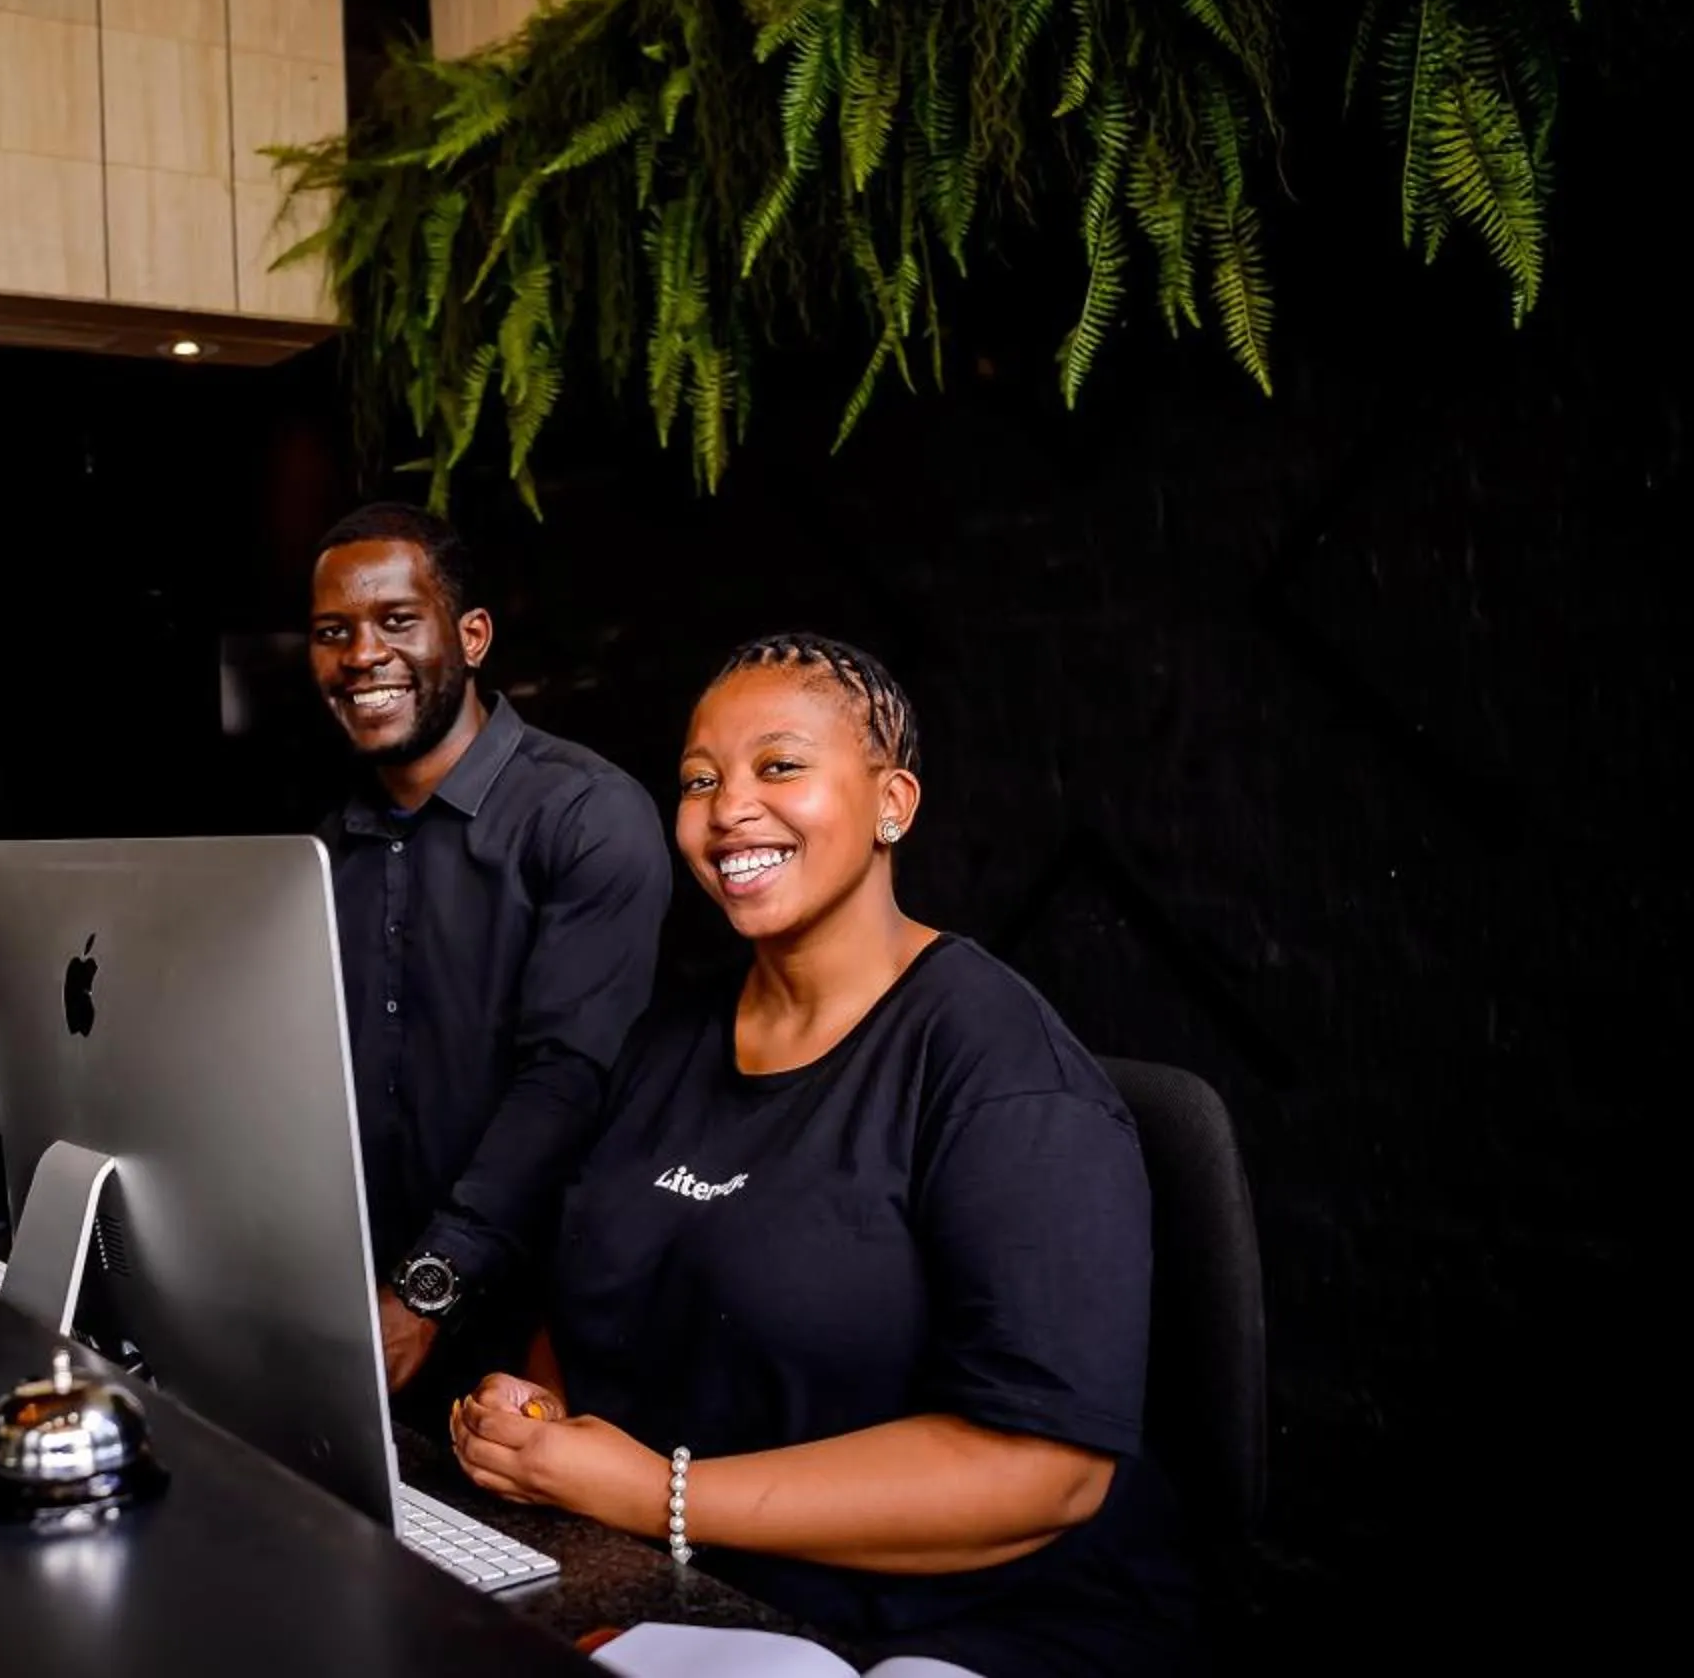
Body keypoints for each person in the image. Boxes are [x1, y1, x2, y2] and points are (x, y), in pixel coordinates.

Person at [451, 635, 1193, 1677]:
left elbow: (1047, 1469)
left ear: (893, 802)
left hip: (972, 1627)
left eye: (780, 766)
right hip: (724, 1593)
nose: (729, 807)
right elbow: (594, 1282)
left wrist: (653, 1491)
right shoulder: (666, 1042)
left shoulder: (1000, 1067)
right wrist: (540, 1422)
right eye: (700, 779)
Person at [308, 503, 674, 1404]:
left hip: (543, 1341)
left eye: (397, 621)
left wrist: (425, 1288)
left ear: (471, 636)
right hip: (361, 1323)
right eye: (332, 632)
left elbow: (567, 1080)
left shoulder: (587, 815)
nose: (361, 656)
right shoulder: (325, 845)